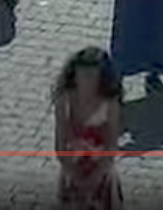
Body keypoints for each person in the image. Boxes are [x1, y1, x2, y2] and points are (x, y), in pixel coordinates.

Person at [53, 47, 123, 208]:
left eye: (91, 76)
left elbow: (111, 145)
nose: (86, 82)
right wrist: (73, 173)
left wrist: (96, 177)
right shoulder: (65, 101)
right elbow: (60, 142)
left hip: (101, 169)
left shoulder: (109, 104)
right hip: (72, 167)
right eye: (82, 76)